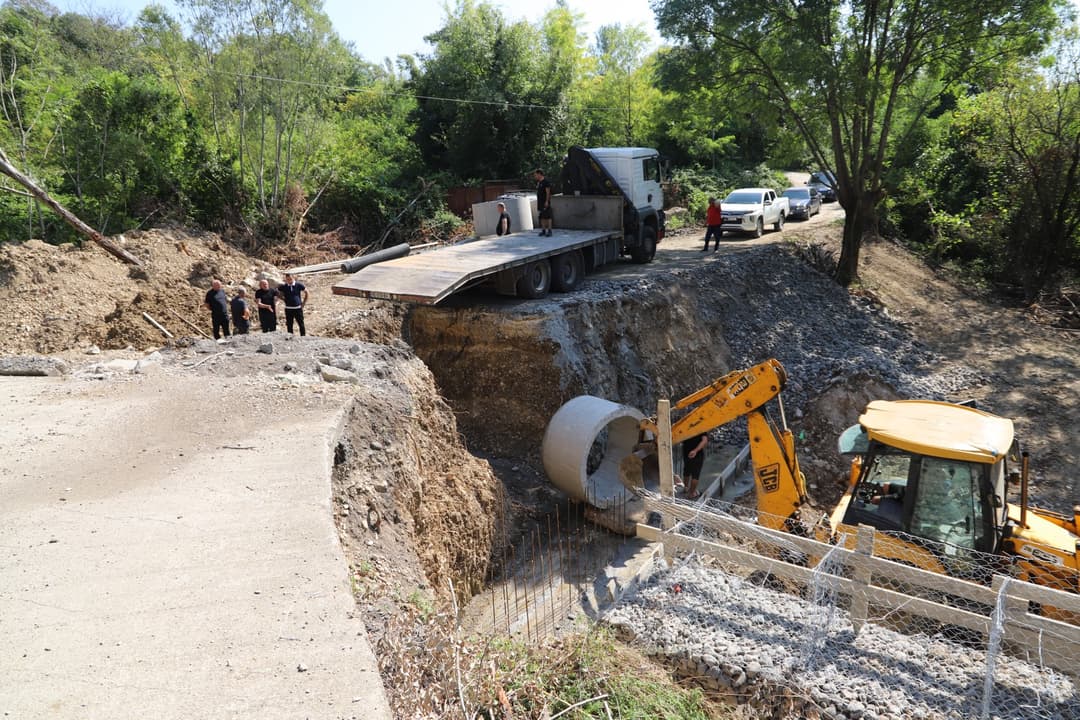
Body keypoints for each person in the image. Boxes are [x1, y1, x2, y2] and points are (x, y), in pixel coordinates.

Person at [681, 432, 708, 500]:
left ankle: (685, 488)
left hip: (686, 451)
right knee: (695, 474)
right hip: (697, 454)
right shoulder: (700, 428)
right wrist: (695, 451)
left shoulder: (685, 427)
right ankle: (691, 493)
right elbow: (704, 440)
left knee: (686, 470)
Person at [534, 168, 553, 237]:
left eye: (536, 175)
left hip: (545, 202)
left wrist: (547, 201)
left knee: (548, 216)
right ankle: (543, 230)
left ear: (539, 174)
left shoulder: (546, 182)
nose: (535, 176)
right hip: (540, 202)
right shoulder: (539, 182)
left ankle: (549, 230)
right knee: (542, 216)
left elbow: (548, 193)